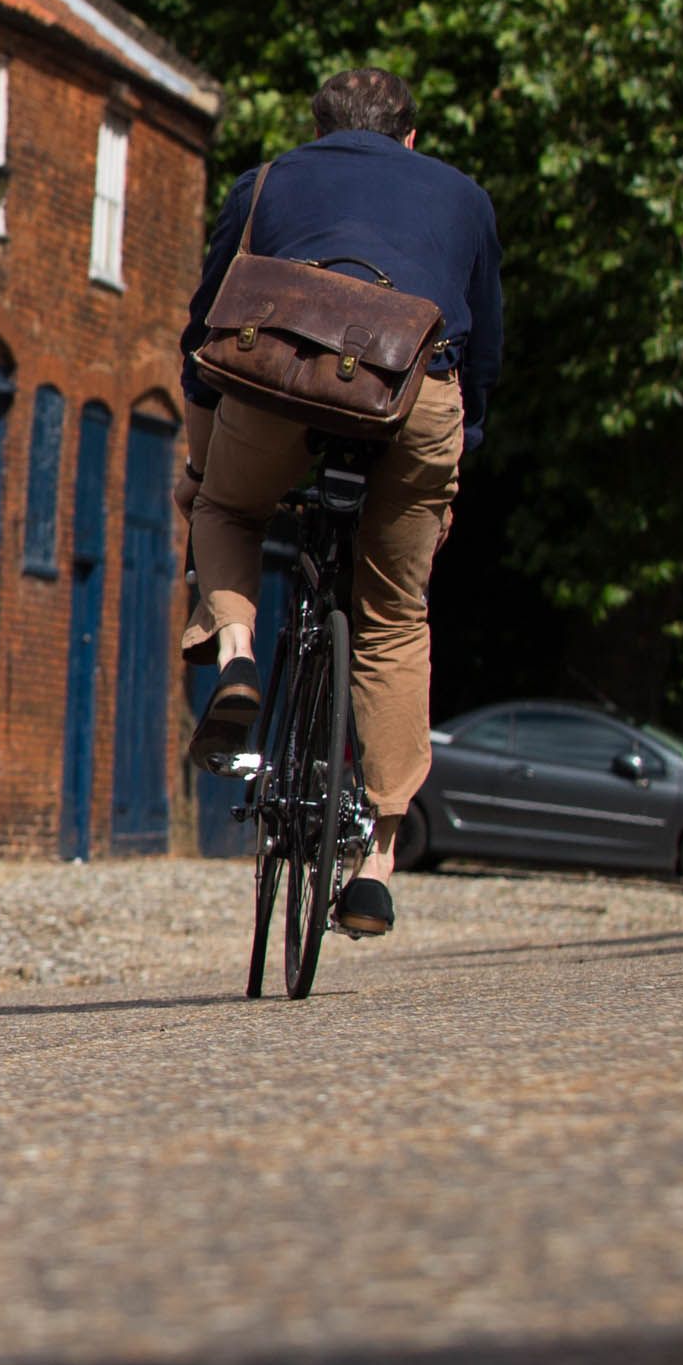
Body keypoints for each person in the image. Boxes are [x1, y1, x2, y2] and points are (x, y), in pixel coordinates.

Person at [179, 68, 504, 940]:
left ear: (318, 127)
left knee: (226, 509)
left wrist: (202, 460)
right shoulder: (464, 197)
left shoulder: (269, 182)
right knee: (395, 613)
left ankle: (238, 656)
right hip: (414, 395)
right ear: (409, 137)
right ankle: (379, 860)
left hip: (281, 380)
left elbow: (205, 329)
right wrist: (449, 473)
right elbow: (484, 357)